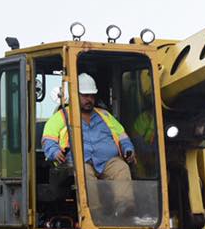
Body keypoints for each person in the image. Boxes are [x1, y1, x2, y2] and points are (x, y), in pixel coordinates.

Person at [41, 73, 137, 219]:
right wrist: (54, 151)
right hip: (80, 161)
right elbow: (48, 139)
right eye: (85, 96)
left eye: (91, 96)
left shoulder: (105, 115)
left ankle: (125, 207)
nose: (89, 99)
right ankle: (94, 213)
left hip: (107, 160)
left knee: (121, 168)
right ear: (74, 95)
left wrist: (128, 149)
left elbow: (123, 136)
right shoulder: (61, 117)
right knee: (85, 173)